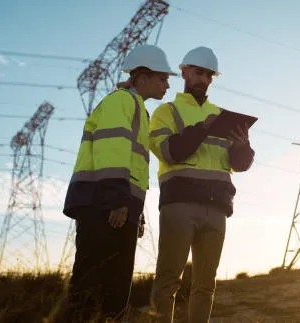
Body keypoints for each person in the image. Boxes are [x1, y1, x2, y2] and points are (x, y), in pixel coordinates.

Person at [61, 44, 177, 322]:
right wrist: (117, 201)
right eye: (162, 78)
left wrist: (135, 214)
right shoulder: (121, 101)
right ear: (142, 77)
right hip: (102, 206)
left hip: (119, 207)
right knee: (91, 288)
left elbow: (133, 167)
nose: (167, 84)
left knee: (115, 289)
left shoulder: (137, 109)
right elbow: (112, 151)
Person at [149, 46, 255, 323]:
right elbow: (170, 152)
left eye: (209, 76)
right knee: (168, 280)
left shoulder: (223, 115)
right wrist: (203, 128)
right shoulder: (166, 112)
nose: (204, 80)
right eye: (198, 73)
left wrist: (242, 147)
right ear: (184, 72)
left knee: (206, 285)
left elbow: (241, 165)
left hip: (217, 208)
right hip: (179, 205)